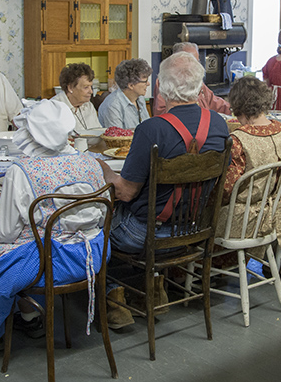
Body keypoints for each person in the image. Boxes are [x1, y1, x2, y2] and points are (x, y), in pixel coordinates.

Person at [98, 51, 229, 325]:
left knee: (98, 224)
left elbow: (125, 192)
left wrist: (104, 169)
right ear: (200, 85)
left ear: (161, 87)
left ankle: (114, 298)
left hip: (146, 235)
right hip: (194, 230)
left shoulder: (151, 129)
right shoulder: (218, 124)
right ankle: (152, 289)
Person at [0, 100, 109, 348]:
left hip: (50, 262)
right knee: (34, 240)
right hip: (93, 255)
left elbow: (3, 233)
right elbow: (103, 214)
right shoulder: (91, 164)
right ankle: (31, 316)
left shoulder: (23, 171)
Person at [217, 76, 281, 252]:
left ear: (237, 106)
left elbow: (225, 190)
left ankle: (214, 270)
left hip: (240, 222)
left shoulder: (238, 140)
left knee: (194, 215)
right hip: (273, 217)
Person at [152, 42, 231, 116]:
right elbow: (161, 113)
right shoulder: (165, 82)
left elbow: (215, 102)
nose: (194, 67)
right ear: (175, 60)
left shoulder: (197, 82)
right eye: (189, 62)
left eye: (197, 62)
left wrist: (234, 109)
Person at [98, 58, 152, 129]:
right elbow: (117, 138)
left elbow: (147, 127)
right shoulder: (113, 105)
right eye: (145, 81)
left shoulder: (140, 98)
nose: (148, 84)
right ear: (131, 85)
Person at [51, 63, 102, 134]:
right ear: (70, 88)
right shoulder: (55, 109)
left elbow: (98, 133)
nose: (91, 91)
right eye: (86, 87)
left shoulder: (88, 106)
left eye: (91, 87)